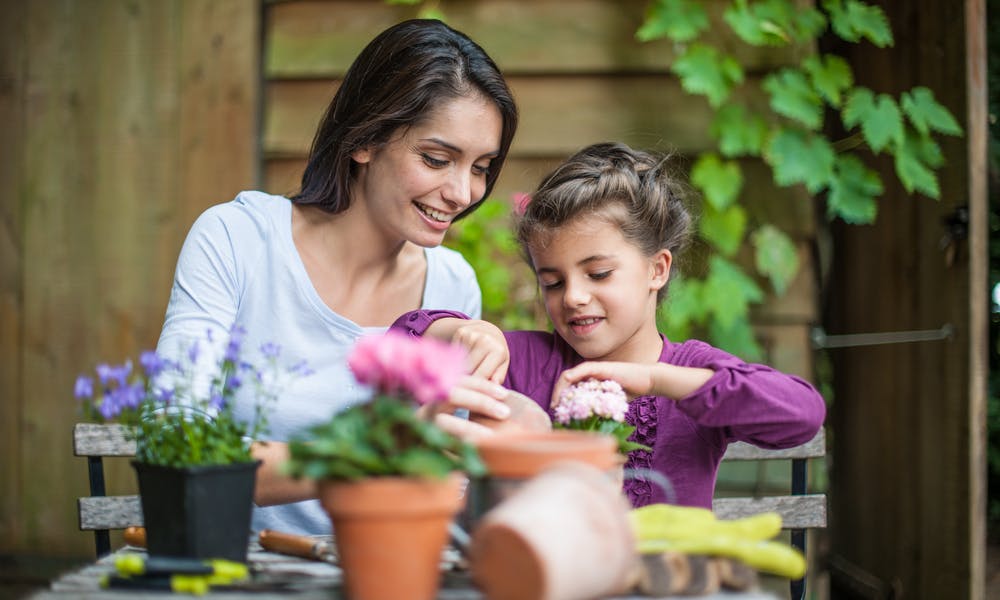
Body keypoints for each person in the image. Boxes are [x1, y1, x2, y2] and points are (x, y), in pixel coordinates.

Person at [155, 19, 521, 535]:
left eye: (481, 167)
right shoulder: (238, 241)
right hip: (238, 573)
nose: (463, 194)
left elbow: (444, 477)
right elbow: (178, 449)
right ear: (365, 139)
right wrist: (365, 453)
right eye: (438, 159)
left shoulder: (452, 287)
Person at [391, 142, 827, 509]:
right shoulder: (523, 361)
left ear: (657, 270)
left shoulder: (690, 372)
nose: (574, 297)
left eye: (598, 274)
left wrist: (657, 379)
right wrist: (459, 330)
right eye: (553, 282)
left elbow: (802, 414)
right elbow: (396, 347)